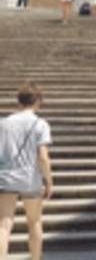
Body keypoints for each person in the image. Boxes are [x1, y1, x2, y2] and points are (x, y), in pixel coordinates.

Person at [0, 82, 53, 260]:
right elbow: (43, 157)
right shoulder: (40, 124)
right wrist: (49, 182)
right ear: (38, 101)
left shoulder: (4, 123)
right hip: (30, 179)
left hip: (6, 178)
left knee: (4, 224)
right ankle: (35, 258)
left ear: (18, 101)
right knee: (34, 222)